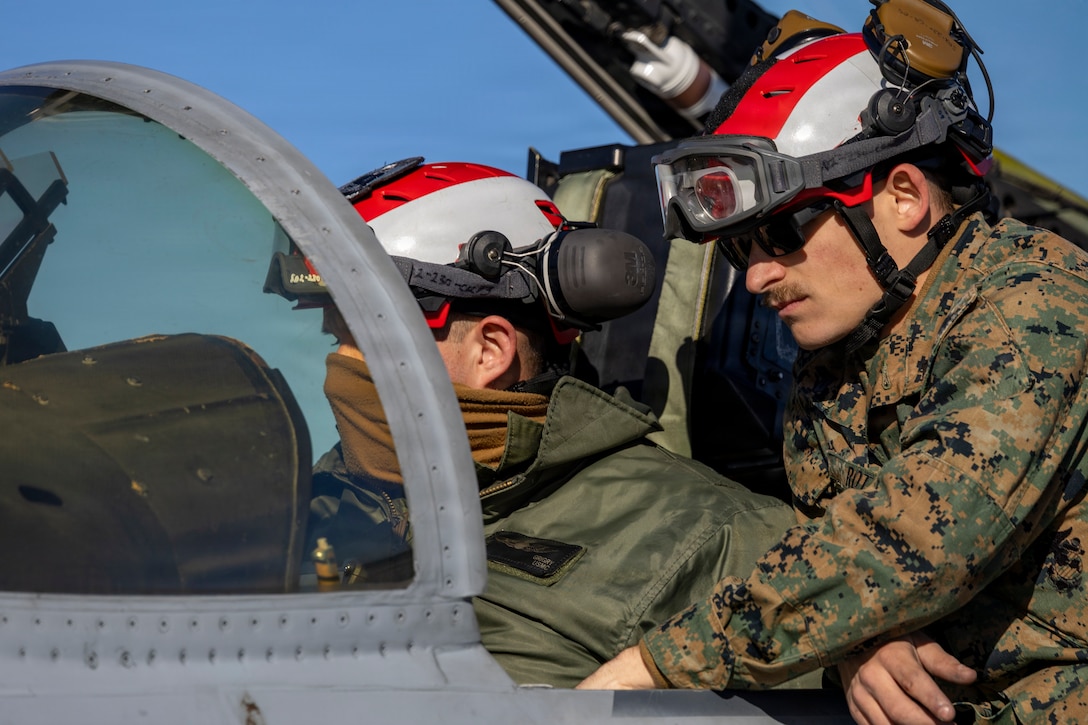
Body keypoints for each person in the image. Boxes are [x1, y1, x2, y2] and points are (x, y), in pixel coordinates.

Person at [578, 2, 1088, 722]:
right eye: (738, 246)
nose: (755, 276)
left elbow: (920, 538)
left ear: (904, 197)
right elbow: (841, 552)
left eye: (780, 231)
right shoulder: (835, 369)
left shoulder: (1037, 306)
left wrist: (654, 665)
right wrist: (855, 640)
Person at [275, 158, 802, 688]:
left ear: (490, 351)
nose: (336, 370)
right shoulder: (299, 512)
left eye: (361, 341)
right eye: (332, 340)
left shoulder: (722, 541)